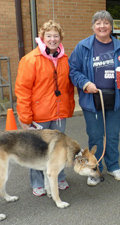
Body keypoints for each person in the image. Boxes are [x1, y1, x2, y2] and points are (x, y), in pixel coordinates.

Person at [68, 10, 120, 186]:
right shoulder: (83, 47)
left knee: (113, 135)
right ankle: (94, 168)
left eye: (106, 23)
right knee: (95, 136)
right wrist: (85, 84)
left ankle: (113, 166)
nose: (102, 26)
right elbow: (73, 70)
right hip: (92, 98)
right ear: (93, 26)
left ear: (111, 26)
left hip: (115, 98)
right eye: (98, 23)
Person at [15, 20, 75, 196]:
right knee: (36, 151)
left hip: (58, 114)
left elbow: (68, 87)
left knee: (60, 149)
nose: (52, 39)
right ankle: (38, 182)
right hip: (38, 116)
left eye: (56, 36)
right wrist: (25, 118)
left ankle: (59, 177)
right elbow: (22, 90)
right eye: (48, 35)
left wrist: (68, 107)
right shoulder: (30, 60)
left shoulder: (65, 59)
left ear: (60, 38)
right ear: (42, 37)